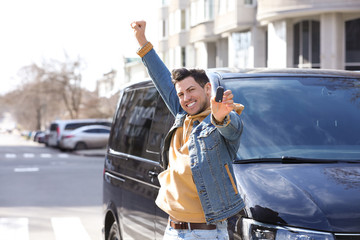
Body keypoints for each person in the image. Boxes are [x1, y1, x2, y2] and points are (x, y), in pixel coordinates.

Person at [131, 20, 245, 240]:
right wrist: (142, 42)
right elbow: (162, 78)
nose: (186, 98)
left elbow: (233, 130)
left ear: (207, 88)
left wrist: (221, 117)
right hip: (173, 229)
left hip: (206, 233)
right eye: (181, 94)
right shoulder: (183, 116)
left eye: (191, 90)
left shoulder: (222, 119)